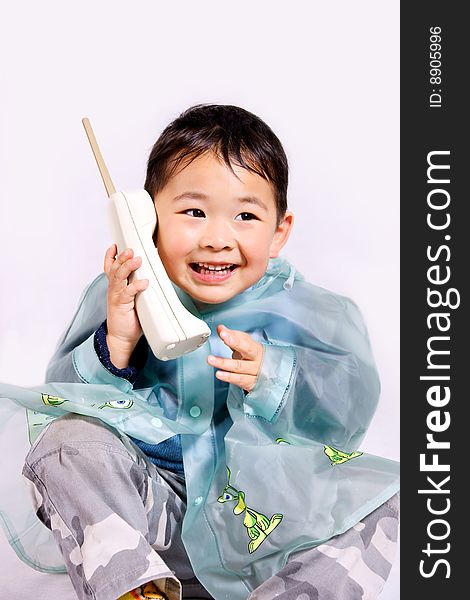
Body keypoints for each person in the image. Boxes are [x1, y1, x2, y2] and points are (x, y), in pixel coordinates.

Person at [0, 105, 399, 600]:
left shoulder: (306, 309)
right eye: (193, 212)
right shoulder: (128, 293)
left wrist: (274, 376)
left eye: (246, 216)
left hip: (260, 521)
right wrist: (117, 342)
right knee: (66, 439)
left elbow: (348, 406)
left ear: (279, 232)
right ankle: (135, 590)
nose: (216, 239)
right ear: (146, 220)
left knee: (384, 498)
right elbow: (62, 397)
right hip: (151, 514)